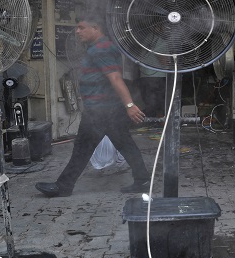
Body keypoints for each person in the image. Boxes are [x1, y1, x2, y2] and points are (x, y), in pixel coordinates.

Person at [35, 18, 151, 197]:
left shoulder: (101, 49)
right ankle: (142, 180)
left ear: (95, 27)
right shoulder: (100, 47)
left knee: (83, 147)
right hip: (106, 108)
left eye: (82, 27)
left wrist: (130, 105)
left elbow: (115, 78)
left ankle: (63, 186)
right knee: (125, 144)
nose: (77, 32)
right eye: (76, 28)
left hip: (101, 110)